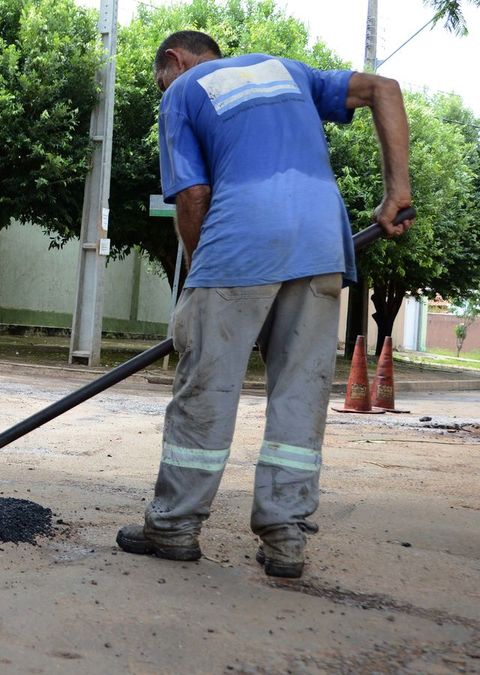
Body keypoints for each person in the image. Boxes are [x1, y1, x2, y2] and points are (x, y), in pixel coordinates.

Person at [116, 31, 413, 579]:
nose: (163, 85)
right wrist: (398, 191)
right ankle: (286, 537)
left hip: (240, 238)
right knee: (300, 396)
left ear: (174, 61)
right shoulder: (288, 70)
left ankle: (175, 525)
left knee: (207, 387)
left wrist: (204, 279)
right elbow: (384, 88)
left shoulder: (181, 92)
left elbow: (193, 196)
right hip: (323, 240)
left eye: (160, 75)